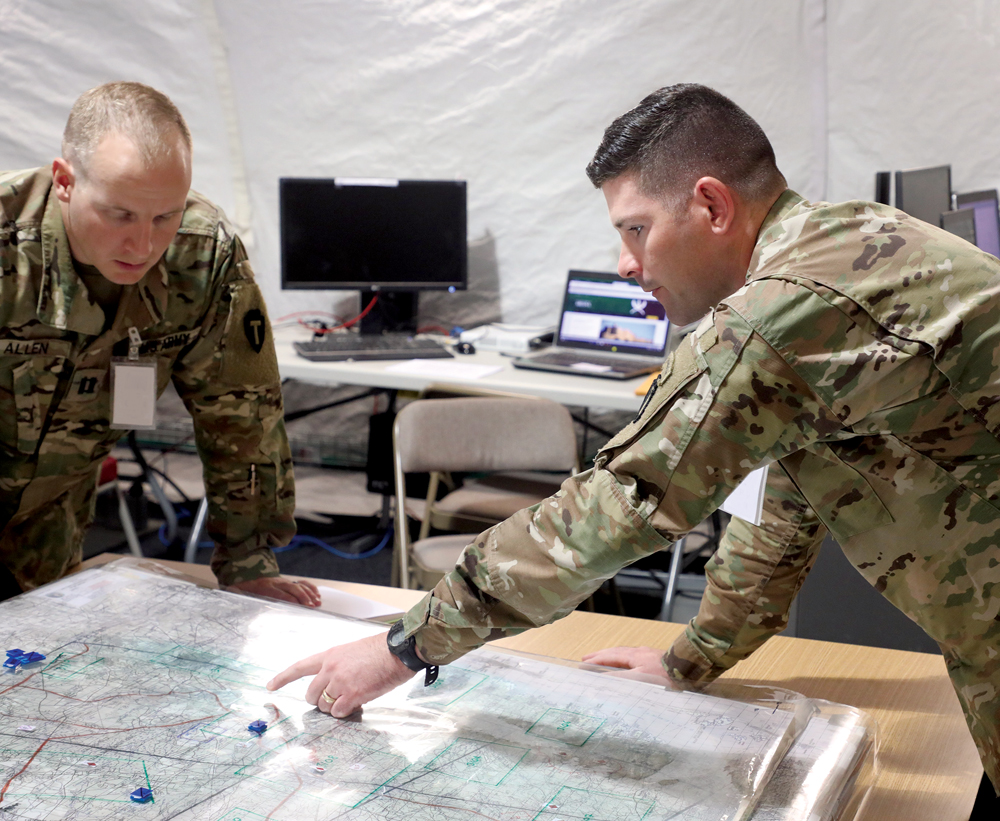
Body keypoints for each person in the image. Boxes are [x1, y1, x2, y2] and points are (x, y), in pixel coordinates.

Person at [268, 84, 1000, 795]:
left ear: (711, 204)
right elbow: (785, 505)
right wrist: (692, 659)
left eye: (636, 228)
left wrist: (402, 647)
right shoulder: (846, 238)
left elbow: (613, 507)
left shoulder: (776, 318)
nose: (624, 262)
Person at [0, 81, 319, 608]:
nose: (143, 245)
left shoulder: (200, 257)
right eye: (120, 214)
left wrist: (245, 561)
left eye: (165, 216)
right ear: (64, 181)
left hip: (47, 534)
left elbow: (242, 412)